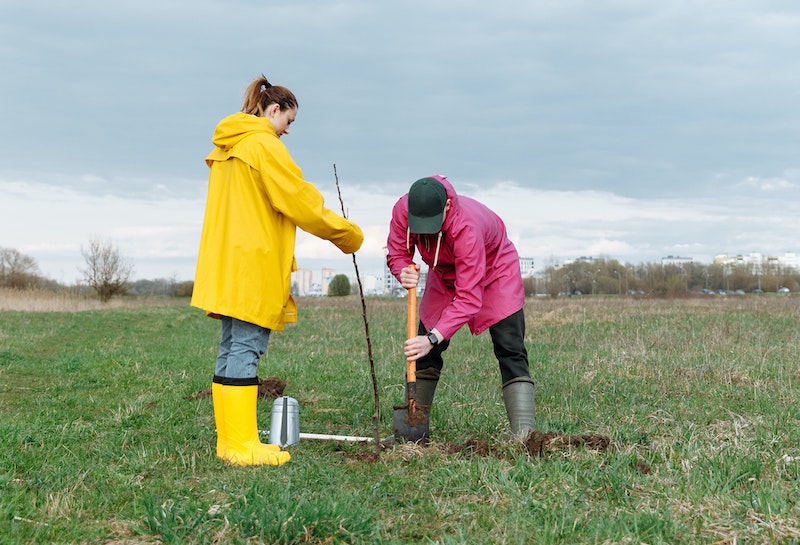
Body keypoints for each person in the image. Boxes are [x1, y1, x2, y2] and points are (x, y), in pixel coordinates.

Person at [191, 74, 364, 466]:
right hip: (253, 265)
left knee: (231, 346)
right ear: (273, 110)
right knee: (247, 349)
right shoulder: (263, 146)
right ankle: (241, 447)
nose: (288, 131)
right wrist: (347, 234)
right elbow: (301, 201)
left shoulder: (229, 146)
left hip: (226, 263)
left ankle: (231, 442)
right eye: (289, 121)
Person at [386, 175, 535, 440]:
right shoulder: (402, 210)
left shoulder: (467, 227)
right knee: (424, 352)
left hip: (494, 270)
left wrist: (434, 337)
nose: (428, 231)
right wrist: (401, 270)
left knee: (509, 347)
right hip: (442, 273)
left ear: (446, 207)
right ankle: (414, 431)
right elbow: (398, 252)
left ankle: (524, 435)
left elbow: (469, 297)